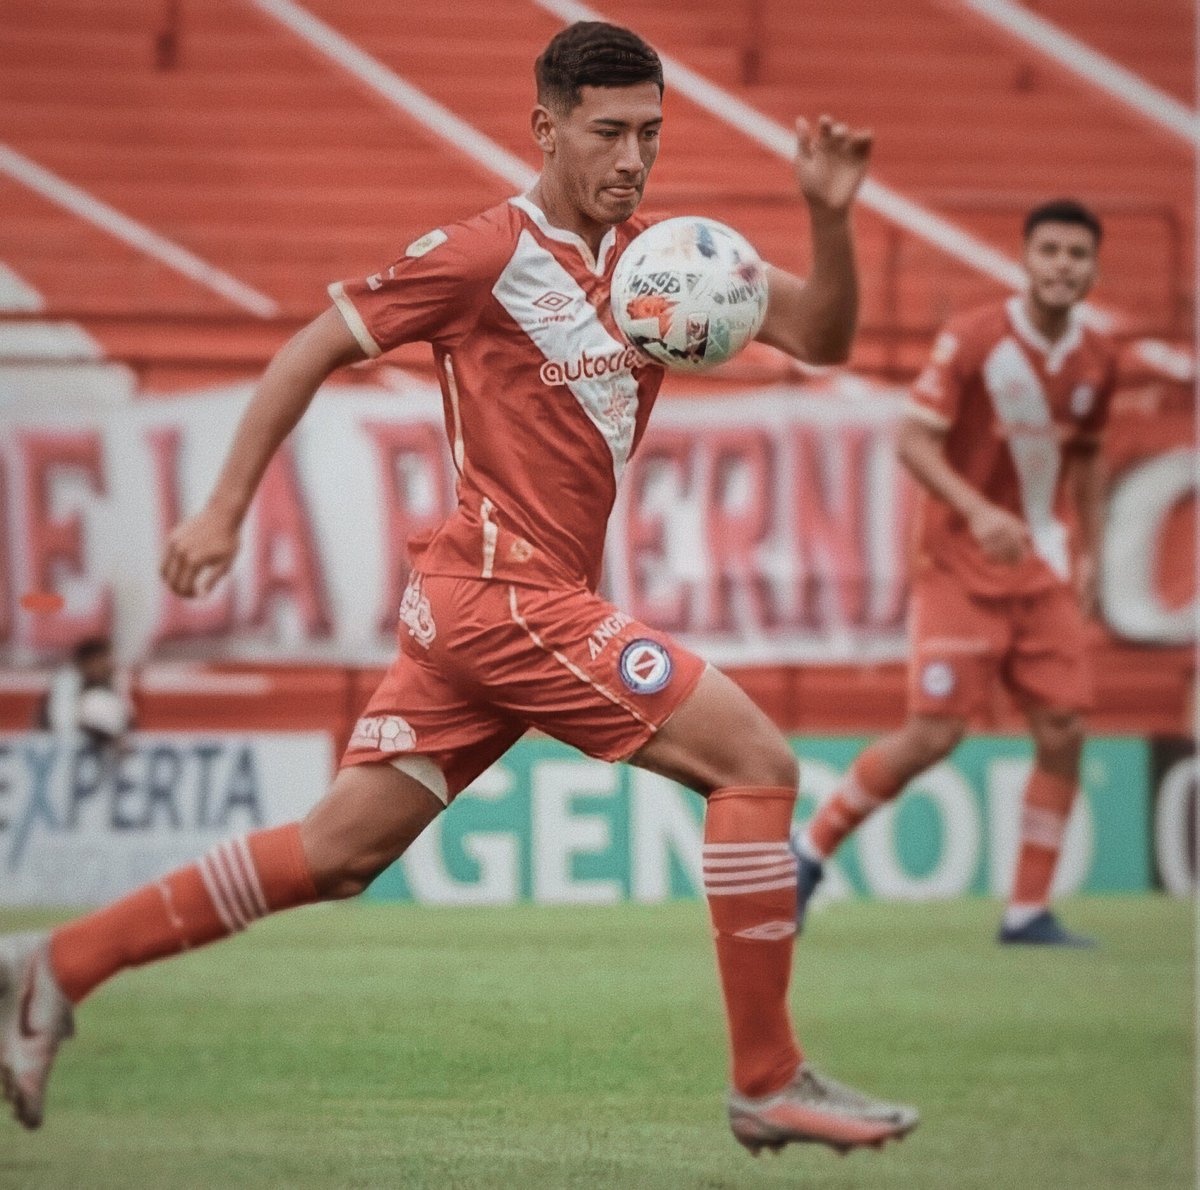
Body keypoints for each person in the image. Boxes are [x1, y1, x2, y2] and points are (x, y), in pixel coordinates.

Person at [0, 21, 917, 1153]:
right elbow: (309, 350)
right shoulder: (484, 254)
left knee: (336, 850)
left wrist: (830, 215)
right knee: (757, 762)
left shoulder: (667, 262)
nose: (633, 160)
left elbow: (823, 336)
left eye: (652, 134)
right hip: (505, 596)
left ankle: (53, 965)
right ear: (544, 127)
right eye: (610, 133)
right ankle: (767, 1077)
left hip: (487, 610)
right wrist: (225, 505)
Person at [792, 200, 1116, 948]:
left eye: (1077, 254)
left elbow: (1092, 458)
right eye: (1051, 251)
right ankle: (808, 853)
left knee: (1065, 727)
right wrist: (979, 512)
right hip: (959, 567)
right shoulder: (975, 339)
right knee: (934, 733)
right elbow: (912, 441)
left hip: (1041, 569)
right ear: (1026, 260)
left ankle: (1027, 911)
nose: (1063, 265)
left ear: (1093, 270)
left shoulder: (1099, 360)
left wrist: (1091, 549)